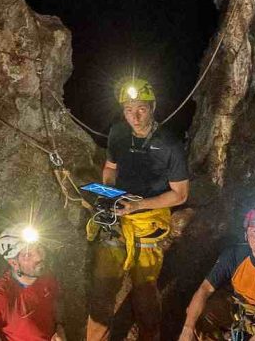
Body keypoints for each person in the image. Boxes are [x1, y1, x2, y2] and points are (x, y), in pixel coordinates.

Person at [86, 78, 190, 341]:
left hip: (148, 220)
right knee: (101, 290)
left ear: (153, 106)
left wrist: (138, 205)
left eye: (141, 108)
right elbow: (111, 167)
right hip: (118, 216)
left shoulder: (170, 145)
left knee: (144, 291)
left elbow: (180, 195)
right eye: (128, 108)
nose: (134, 115)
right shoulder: (119, 132)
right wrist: (109, 192)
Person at [179, 207, 255, 341]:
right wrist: (187, 328)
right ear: (246, 235)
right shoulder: (234, 255)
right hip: (237, 308)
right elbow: (205, 289)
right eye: (253, 232)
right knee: (197, 315)